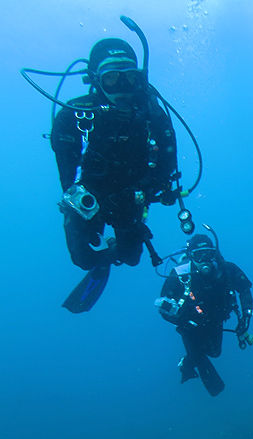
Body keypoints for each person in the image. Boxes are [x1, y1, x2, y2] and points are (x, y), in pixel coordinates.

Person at [50, 37, 179, 309]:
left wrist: (139, 192)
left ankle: (113, 250)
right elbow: (67, 177)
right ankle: (100, 257)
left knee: (131, 258)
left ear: (139, 79)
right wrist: (79, 200)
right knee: (82, 258)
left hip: (131, 195)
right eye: (111, 78)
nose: (121, 87)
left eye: (130, 78)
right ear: (96, 80)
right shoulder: (74, 115)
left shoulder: (153, 115)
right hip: (91, 196)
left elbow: (167, 169)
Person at [156, 232, 253, 396]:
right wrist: (182, 320)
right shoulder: (180, 275)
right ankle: (188, 364)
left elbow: (245, 289)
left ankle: (190, 360)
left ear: (215, 254)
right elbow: (163, 307)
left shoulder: (227, 269)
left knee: (215, 352)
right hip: (190, 325)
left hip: (216, 320)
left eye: (209, 254)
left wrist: (246, 317)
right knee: (200, 361)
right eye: (198, 255)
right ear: (191, 256)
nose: (205, 260)